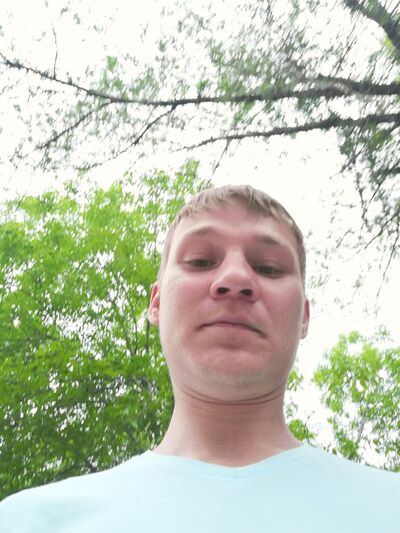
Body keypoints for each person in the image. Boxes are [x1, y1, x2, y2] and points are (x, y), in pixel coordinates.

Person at [0, 184, 398, 532]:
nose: (235, 279)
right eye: (201, 262)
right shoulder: (28, 522)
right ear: (157, 304)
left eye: (268, 268)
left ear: (304, 317)